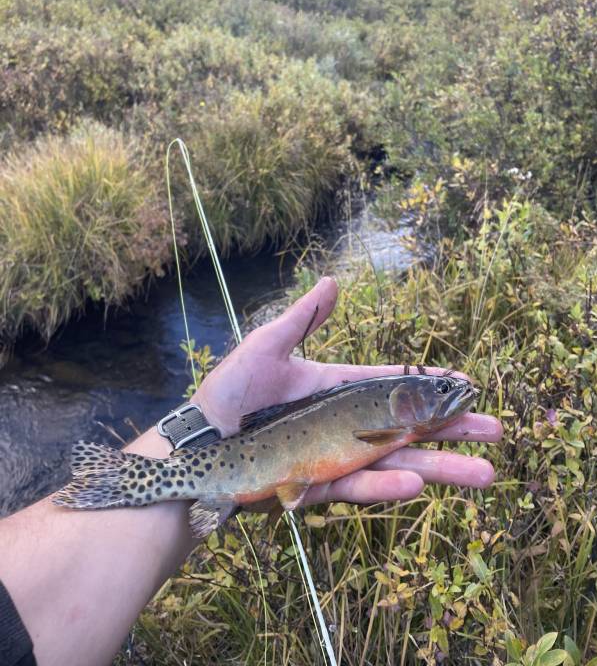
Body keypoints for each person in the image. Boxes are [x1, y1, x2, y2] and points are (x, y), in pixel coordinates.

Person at [0, 277, 502, 666]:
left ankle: (134, 480)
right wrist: (209, 422)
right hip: (238, 463)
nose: (446, 395)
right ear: (404, 402)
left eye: (439, 392)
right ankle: (135, 480)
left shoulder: (393, 421)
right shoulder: (390, 424)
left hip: (238, 465)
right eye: (436, 392)